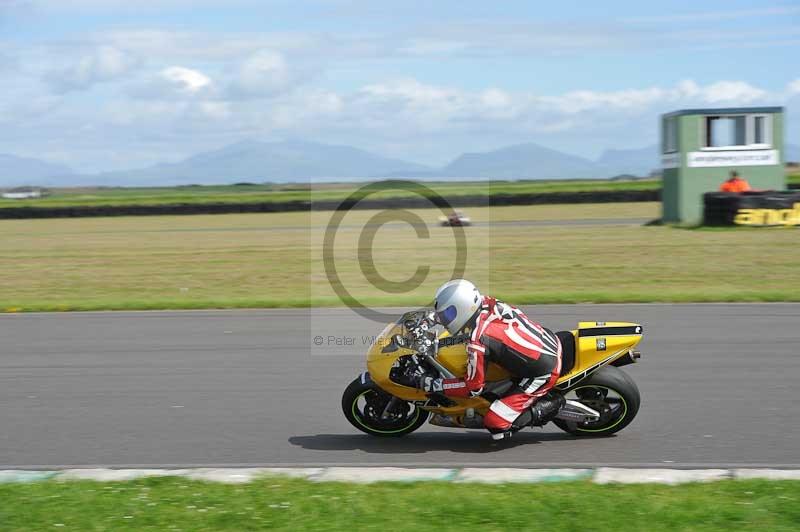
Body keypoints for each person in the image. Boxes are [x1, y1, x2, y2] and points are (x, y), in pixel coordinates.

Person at [407, 279, 564, 441]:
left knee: (496, 423)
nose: (446, 319)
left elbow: (473, 388)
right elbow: (458, 313)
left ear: (462, 308)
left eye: (448, 315)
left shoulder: (479, 339)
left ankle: (554, 404)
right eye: (444, 315)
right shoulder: (485, 302)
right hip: (544, 341)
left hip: (543, 370)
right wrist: (427, 321)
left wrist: (433, 384)